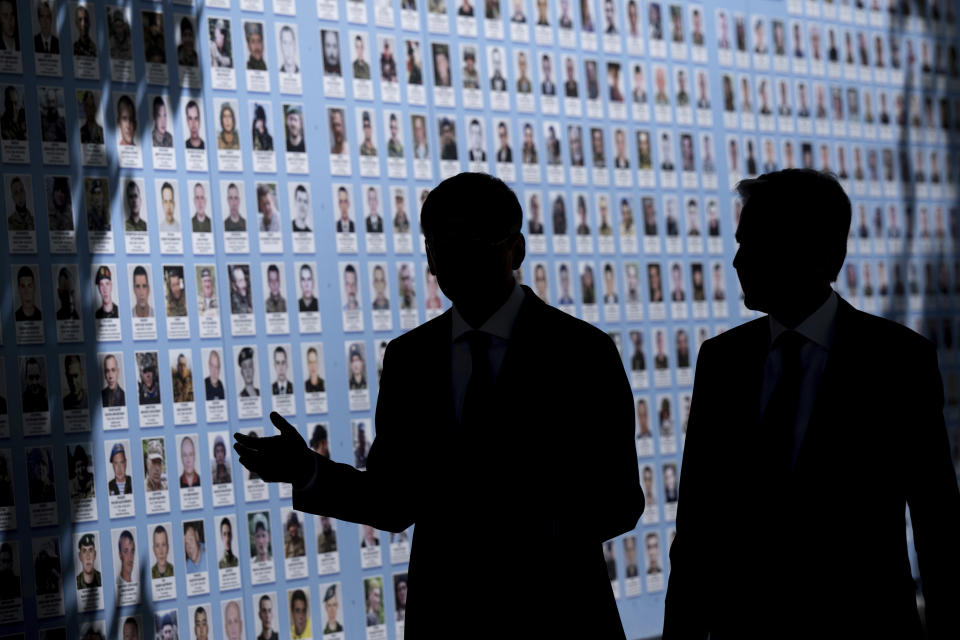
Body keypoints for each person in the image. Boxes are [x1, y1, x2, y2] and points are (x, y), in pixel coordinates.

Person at [234, 172, 643, 636]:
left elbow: (621, 499)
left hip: (560, 617)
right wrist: (307, 470)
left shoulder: (580, 352)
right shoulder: (411, 359)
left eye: (471, 239)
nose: (451, 258)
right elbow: (393, 501)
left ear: (517, 249)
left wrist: (526, 525)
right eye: (438, 244)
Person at [663, 169, 960, 639]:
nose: (738, 261)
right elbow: (699, 528)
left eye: (755, 242)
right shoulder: (722, 360)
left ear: (818, 253)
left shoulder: (898, 361)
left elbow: (937, 525)